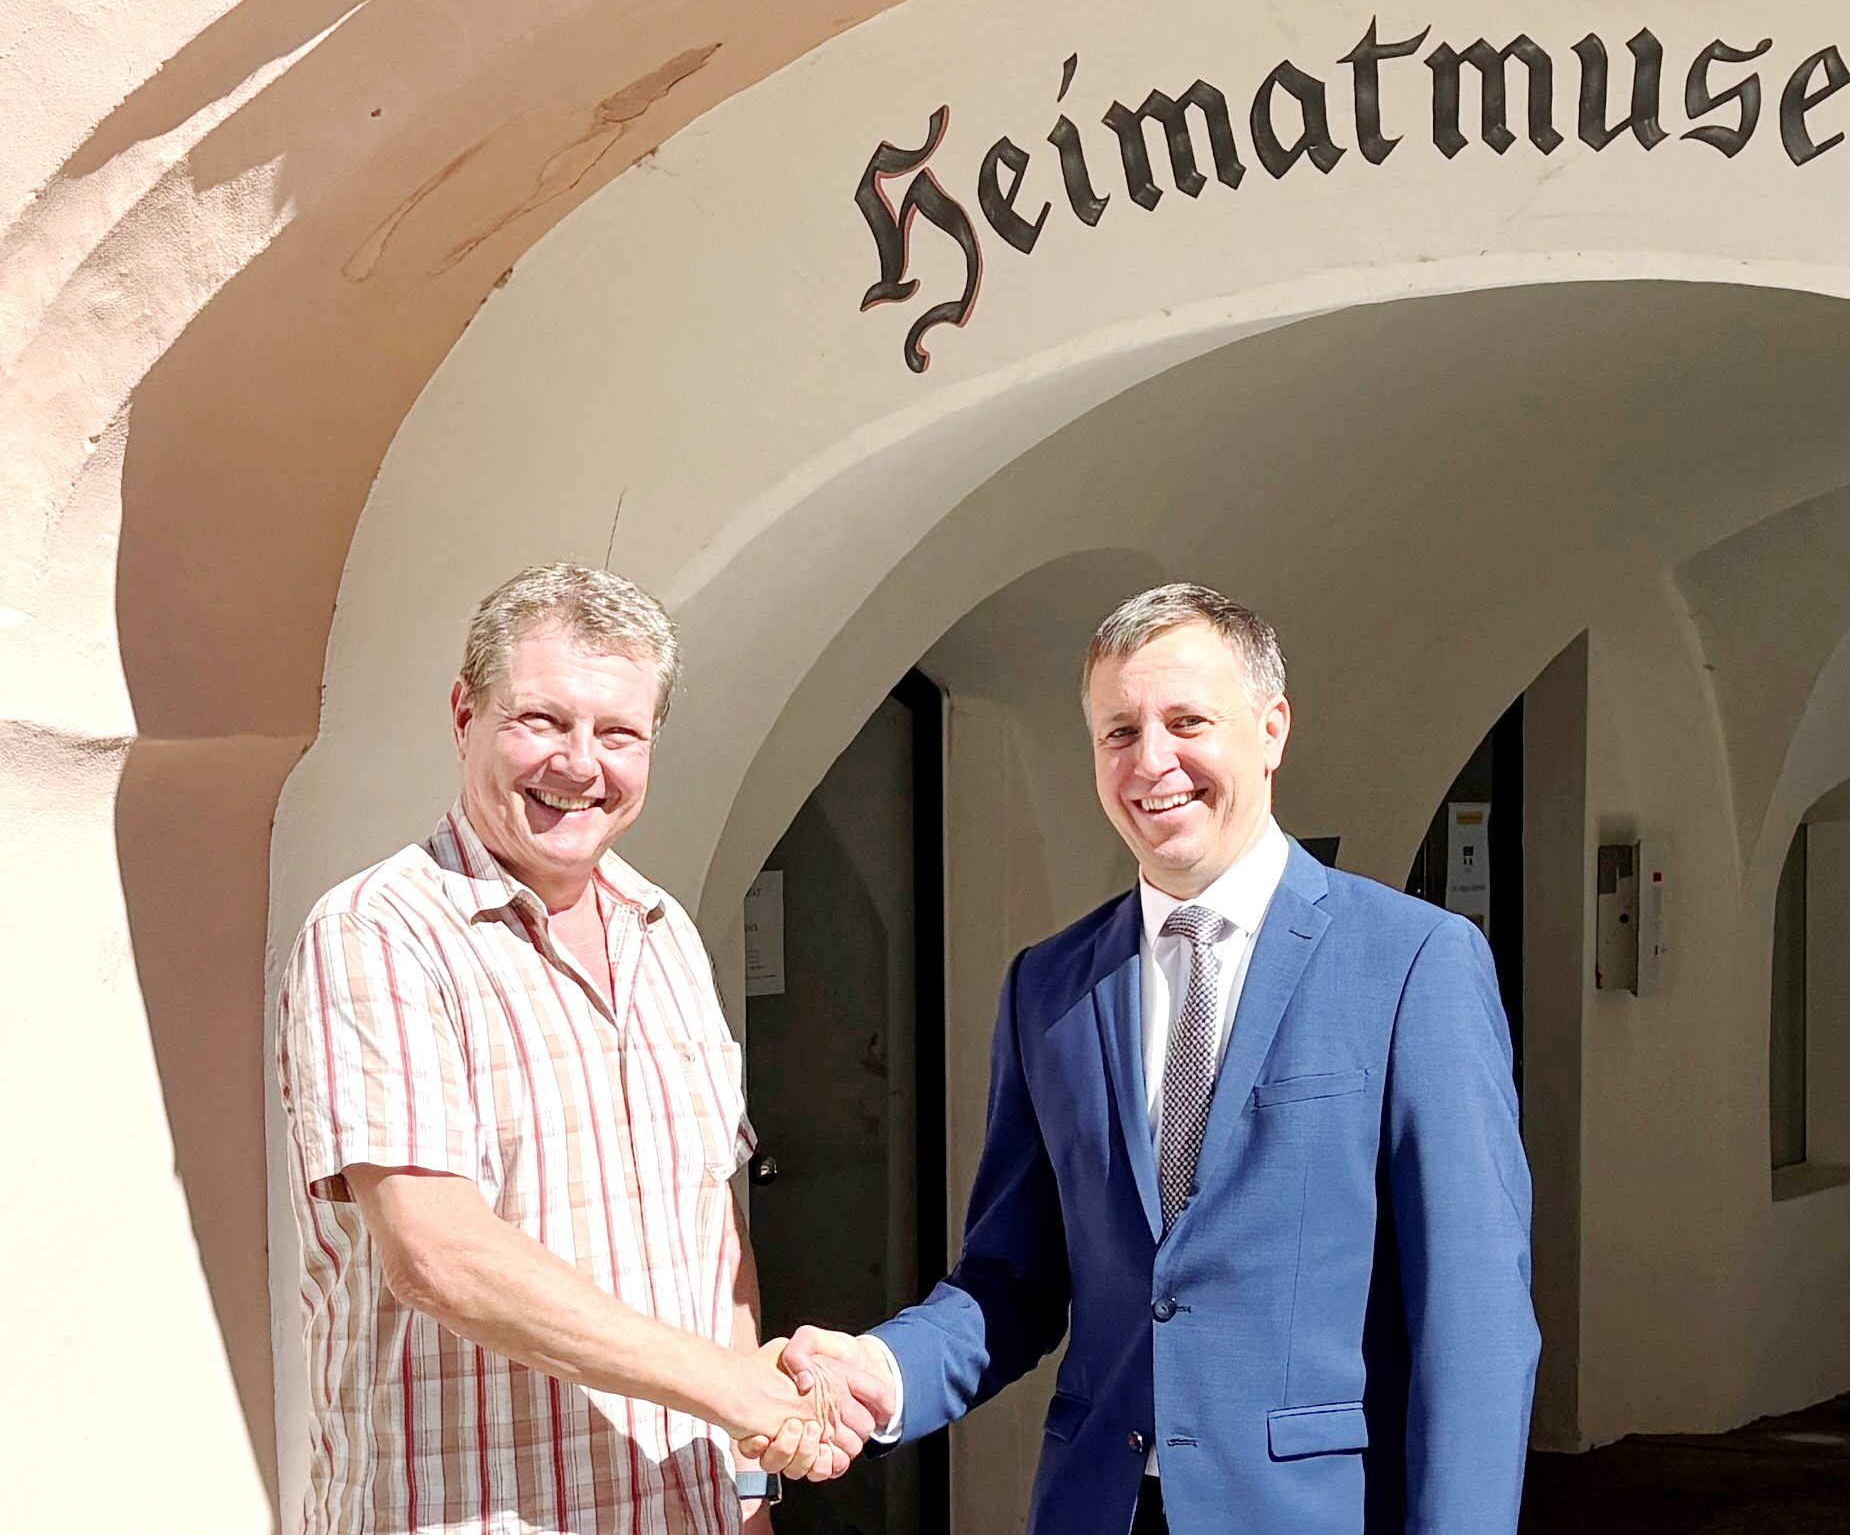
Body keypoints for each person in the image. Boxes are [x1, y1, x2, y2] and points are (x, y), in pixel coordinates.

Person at [769, 583, 1539, 1533]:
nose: (1151, 762)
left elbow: (1476, 1318)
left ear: (1271, 730)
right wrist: (884, 1372)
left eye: (1187, 722)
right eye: (1119, 732)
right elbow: (1011, 1279)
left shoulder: (1413, 961)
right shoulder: (1049, 986)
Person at [276, 564, 882, 1535]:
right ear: (464, 715)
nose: (580, 763)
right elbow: (437, 1253)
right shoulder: (377, 933)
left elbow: (711, 1230)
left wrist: (747, 1484)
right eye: (542, 720)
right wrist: (735, 1389)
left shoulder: (664, 931)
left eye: (618, 733)